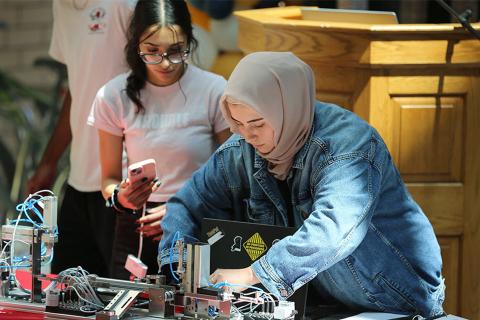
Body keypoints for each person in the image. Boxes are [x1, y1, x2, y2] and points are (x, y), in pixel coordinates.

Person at [159, 52, 445, 317]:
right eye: (238, 123)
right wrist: (181, 266)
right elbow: (188, 204)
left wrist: (252, 274)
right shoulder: (241, 148)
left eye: (257, 124)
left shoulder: (349, 147)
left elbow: (332, 229)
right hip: (318, 302)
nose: (247, 136)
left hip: (393, 298)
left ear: (288, 108)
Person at [88, 0, 231, 279]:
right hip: (137, 228)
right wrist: (122, 196)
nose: (165, 63)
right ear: (136, 45)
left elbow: (232, 176)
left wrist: (183, 208)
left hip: (198, 221)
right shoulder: (113, 95)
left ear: (191, 41)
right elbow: (108, 179)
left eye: (176, 51)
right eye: (152, 52)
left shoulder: (214, 89)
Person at [27, 0, 136, 276]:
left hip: (123, 183)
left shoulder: (125, 4)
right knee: (67, 294)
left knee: (126, 298)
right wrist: (49, 162)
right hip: (80, 178)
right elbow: (79, 87)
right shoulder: (61, 7)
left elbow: (157, 76)